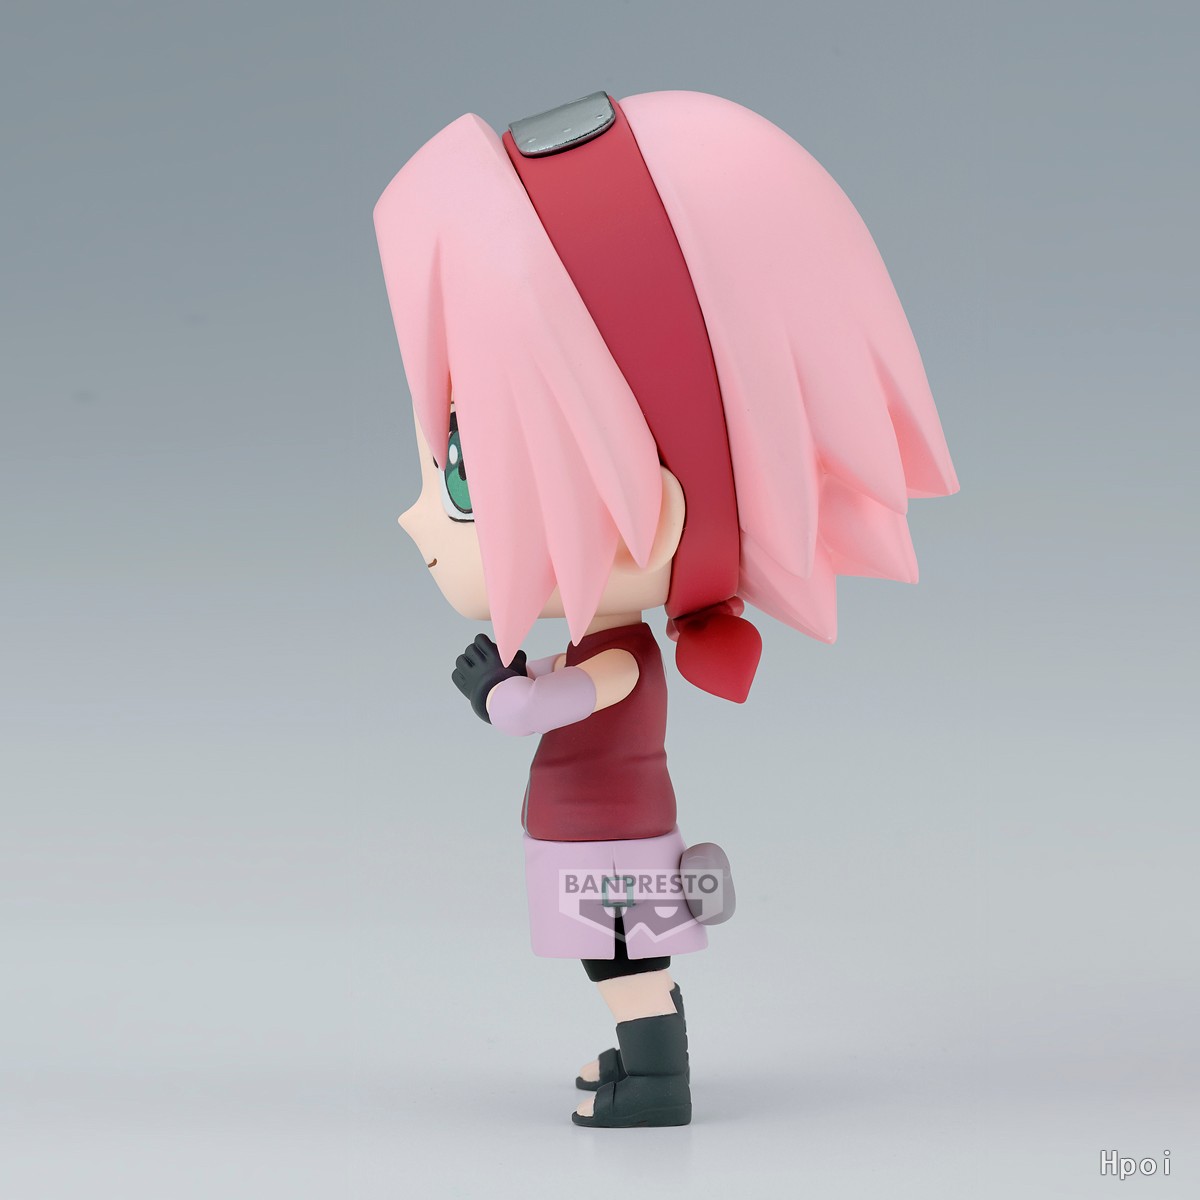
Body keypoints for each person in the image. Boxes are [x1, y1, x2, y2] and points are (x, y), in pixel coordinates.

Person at [373, 89, 957, 1127]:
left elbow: (546, 707)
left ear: (656, 509)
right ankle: (642, 1058)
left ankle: (657, 1079)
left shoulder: (627, 657)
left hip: (612, 847)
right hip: (602, 841)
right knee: (619, 961)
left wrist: (499, 697)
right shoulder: (604, 639)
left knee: (622, 959)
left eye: (461, 474)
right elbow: (553, 689)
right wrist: (518, 681)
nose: (421, 516)